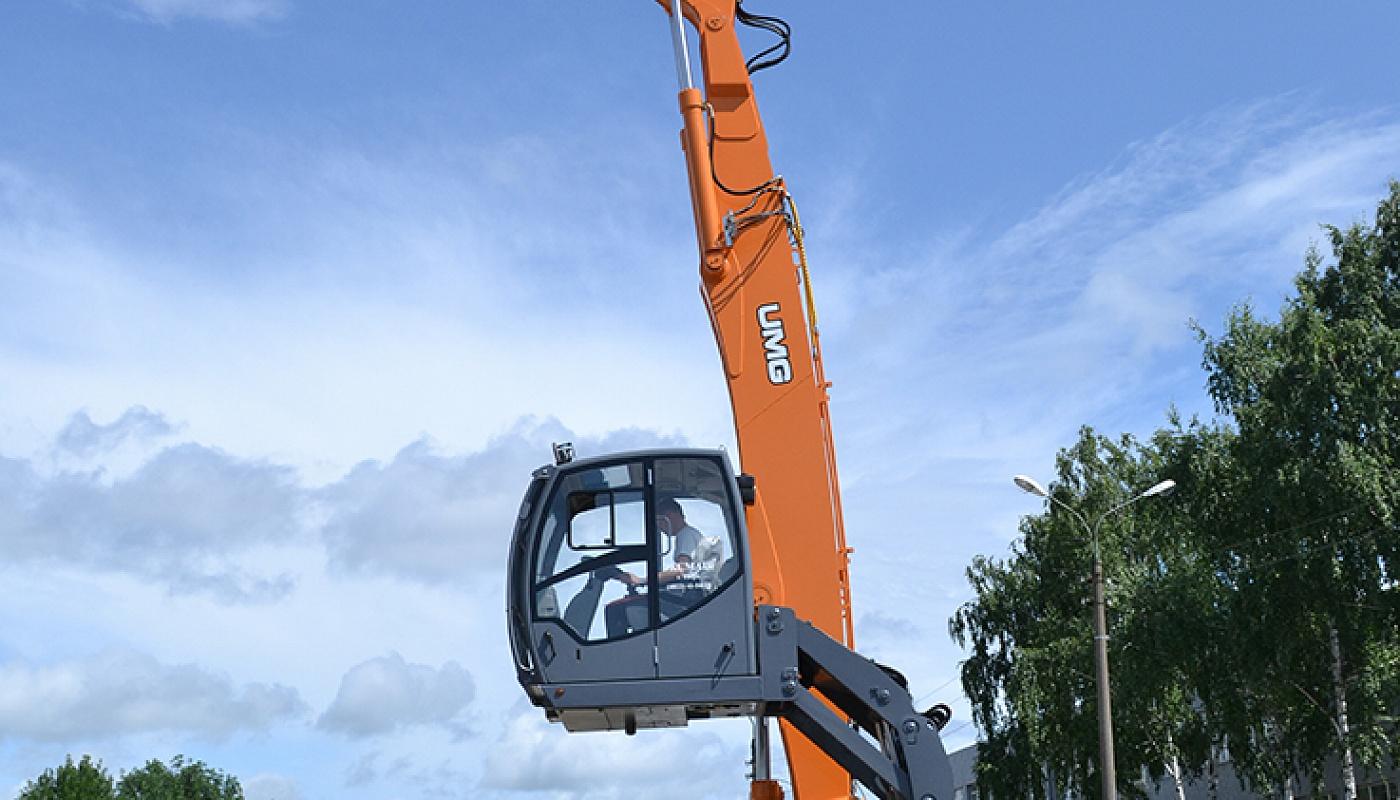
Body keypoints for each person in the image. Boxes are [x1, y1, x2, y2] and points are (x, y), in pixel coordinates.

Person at [603, 498, 721, 635]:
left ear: (669, 516)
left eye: (658, 522)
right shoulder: (692, 534)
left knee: (616, 609)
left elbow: (681, 569)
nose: (659, 528)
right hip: (692, 596)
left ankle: (622, 647)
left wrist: (642, 580)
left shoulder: (686, 534)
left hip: (687, 600)